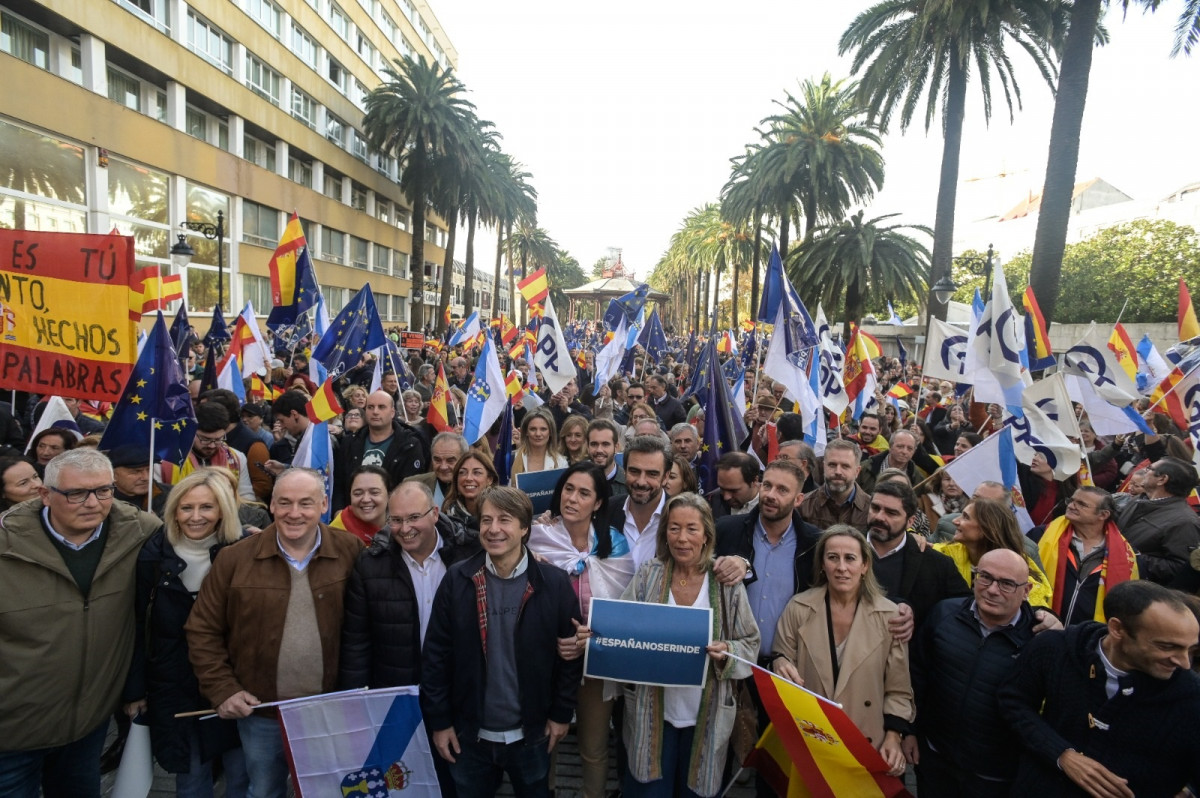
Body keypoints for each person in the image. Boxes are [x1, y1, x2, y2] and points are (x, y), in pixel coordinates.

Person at [185, 468, 363, 798]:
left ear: (324, 504)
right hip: (262, 714)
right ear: (271, 506)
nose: (294, 513)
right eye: (285, 503)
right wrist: (223, 690)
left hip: (328, 711)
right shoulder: (234, 559)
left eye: (306, 503)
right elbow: (202, 630)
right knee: (264, 791)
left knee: (325, 792)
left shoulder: (350, 551)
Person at [0, 448, 162, 797]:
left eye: (104, 490)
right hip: (12, 732)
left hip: (88, 724)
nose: (93, 503)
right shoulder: (6, 545)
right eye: (76, 493)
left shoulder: (139, 531)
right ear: (45, 494)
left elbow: (197, 539)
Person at [421, 486, 583, 798]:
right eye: (486, 520)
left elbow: (569, 655)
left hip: (532, 733)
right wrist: (440, 722)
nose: (493, 529)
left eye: (504, 520)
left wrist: (561, 714)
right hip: (470, 735)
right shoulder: (458, 579)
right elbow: (436, 657)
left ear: (525, 528)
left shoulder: (554, 583)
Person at [339, 480, 482, 795]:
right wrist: (355, 703)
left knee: (462, 782)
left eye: (413, 518)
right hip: (397, 698)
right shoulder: (370, 563)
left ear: (434, 514)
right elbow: (357, 640)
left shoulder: (470, 555)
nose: (405, 528)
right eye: (397, 520)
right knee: (404, 784)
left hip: (460, 697)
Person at [998, 581, 1200, 797]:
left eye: (1191, 649)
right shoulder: (1055, 649)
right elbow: (1013, 701)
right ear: (1117, 629)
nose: (1184, 663)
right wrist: (1060, 754)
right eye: (1167, 647)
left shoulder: (1192, 696)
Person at [617, 492, 759, 797]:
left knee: (695, 789)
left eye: (691, 529)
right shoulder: (648, 576)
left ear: (706, 535)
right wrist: (598, 635)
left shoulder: (725, 584)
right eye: (674, 528)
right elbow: (621, 628)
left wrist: (728, 652)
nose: (682, 538)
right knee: (648, 789)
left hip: (706, 715)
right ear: (664, 532)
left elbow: (750, 643)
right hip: (652, 711)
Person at [125, 470, 248, 797]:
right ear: (173, 511)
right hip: (175, 686)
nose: (196, 517)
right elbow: (137, 625)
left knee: (242, 775)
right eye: (186, 508)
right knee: (191, 780)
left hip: (233, 682)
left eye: (206, 507)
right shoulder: (151, 557)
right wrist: (135, 690)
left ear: (222, 510)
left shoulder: (243, 552)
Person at [529, 464, 636, 798]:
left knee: (593, 745)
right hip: (547, 658)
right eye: (568, 489)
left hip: (595, 660)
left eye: (584, 493)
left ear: (599, 502)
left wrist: (591, 639)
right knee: (547, 740)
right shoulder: (536, 535)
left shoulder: (614, 543)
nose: (572, 498)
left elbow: (624, 606)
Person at [772, 526, 913, 775]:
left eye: (850, 558)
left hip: (867, 742)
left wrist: (894, 736)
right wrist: (780, 662)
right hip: (812, 738)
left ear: (865, 565)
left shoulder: (890, 616)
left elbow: (899, 689)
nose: (841, 567)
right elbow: (781, 658)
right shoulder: (798, 608)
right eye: (832, 557)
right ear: (822, 564)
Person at [905, 549, 1037, 797]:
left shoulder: (1039, 640)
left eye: (1007, 583)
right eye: (985, 577)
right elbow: (916, 677)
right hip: (935, 761)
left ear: (1027, 590)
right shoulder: (944, 614)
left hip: (994, 777)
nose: (992, 589)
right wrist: (909, 730)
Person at [865, 481, 972, 634]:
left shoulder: (937, 564)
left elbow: (964, 608)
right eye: (875, 508)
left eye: (891, 513)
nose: (879, 517)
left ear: (910, 521)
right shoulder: (843, 549)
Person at [1032, 487, 1140, 626]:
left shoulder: (1126, 555)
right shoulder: (1041, 535)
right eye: (1071, 501)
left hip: (1087, 636)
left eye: (1081, 504)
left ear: (1103, 515)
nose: (1071, 506)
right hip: (1041, 625)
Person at [935, 498, 1053, 608]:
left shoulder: (1019, 572)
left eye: (966, 517)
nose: (955, 521)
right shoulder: (943, 554)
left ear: (986, 529)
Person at [334, 389, 429, 511]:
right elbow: (339, 483)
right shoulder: (349, 443)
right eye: (370, 407)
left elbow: (410, 488)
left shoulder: (409, 445)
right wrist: (338, 512)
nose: (375, 412)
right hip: (353, 518)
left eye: (381, 407)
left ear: (392, 412)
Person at [1116, 456, 1200, 585]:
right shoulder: (1139, 499)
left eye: (1149, 468)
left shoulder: (1184, 522)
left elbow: (1178, 568)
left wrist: (1132, 556)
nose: (1143, 470)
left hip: (1138, 590)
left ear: (1162, 479)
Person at [799, 439, 871, 530]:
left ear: (857, 471)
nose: (838, 472)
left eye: (845, 466)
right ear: (824, 466)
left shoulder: (872, 509)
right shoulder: (802, 506)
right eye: (832, 465)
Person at [329, 465, 392, 545]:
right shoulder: (334, 535)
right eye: (358, 493)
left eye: (374, 492)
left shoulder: (402, 528)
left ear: (389, 496)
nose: (366, 499)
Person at [406, 431, 469, 509]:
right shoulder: (412, 485)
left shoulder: (476, 487)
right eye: (437, 460)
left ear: (464, 459)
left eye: (450, 460)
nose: (443, 467)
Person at [108, 444, 170, 517]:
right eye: (136, 472)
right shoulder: (99, 500)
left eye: (149, 470)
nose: (146, 477)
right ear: (113, 475)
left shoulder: (172, 495)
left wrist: (159, 525)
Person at [442, 451, 499, 529]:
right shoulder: (446, 517)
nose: (468, 478)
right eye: (462, 472)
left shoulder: (502, 512)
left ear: (489, 479)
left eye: (477, 473)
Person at [511, 409, 568, 478]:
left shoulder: (561, 462)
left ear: (550, 432)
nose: (538, 434)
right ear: (526, 432)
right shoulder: (512, 459)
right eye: (533, 429)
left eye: (543, 429)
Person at [708, 451, 761, 519]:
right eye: (722, 489)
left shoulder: (770, 506)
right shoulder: (711, 502)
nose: (726, 497)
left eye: (733, 491)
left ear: (754, 481)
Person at [586, 419, 626, 499]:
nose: (599, 450)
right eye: (594, 444)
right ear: (587, 447)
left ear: (616, 447)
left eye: (605, 444)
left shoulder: (628, 483)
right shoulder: (576, 480)